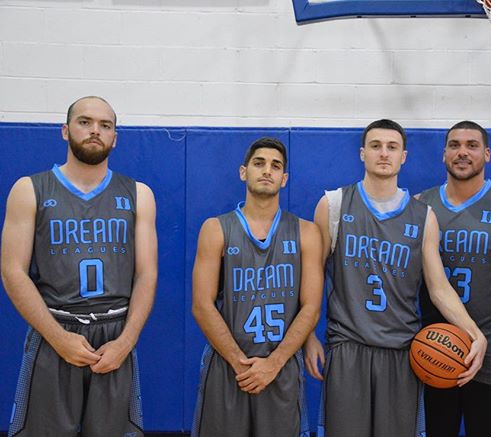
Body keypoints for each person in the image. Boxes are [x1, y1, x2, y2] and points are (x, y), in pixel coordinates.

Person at [303, 119, 487, 437]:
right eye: (376, 146)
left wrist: (474, 333)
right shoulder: (333, 204)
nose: (383, 153)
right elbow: (312, 279)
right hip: (348, 347)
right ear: (362, 154)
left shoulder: (423, 216)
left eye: (392, 147)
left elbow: (438, 287)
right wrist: (307, 337)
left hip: (402, 353)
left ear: (404, 156)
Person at [1, 96, 158, 437]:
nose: (95, 131)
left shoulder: (138, 194)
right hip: (54, 328)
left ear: (115, 137)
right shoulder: (29, 190)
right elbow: (13, 272)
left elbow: (147, 274)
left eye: (105, 125)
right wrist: (58, 338)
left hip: (114, 336)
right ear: (65, 131)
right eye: (85, 122)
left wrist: (126, 342)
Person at [191, 137, 323, 437]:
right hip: (228, 367)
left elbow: (312, 307)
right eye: (259, 163)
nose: (267, 170)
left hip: (282, 366)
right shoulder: (216, 228)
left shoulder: (306, 233)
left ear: (284, 178)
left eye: (276, 166)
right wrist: (241, 364)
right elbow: (201, 305)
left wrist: (273, 363)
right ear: (243, 172)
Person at [417, 120, 491, 437]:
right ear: (443, 155)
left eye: (471, 145)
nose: (462, 152)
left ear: (487, 154)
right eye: (454, 145)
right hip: (432, 352)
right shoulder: (417, 207)